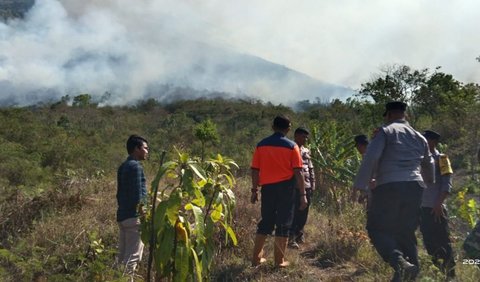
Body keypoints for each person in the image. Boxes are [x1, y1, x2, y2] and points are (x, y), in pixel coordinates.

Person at [353, 101, 434, 282]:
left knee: (376, 228)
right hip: (415, 187)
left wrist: (360, 185)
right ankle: (408, 273)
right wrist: (428, 182)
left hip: (389, 185)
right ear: (404, 115)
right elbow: (429, 165)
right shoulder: (419, 137)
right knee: (405, 232)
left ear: (388, 115)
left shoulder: (385, 131)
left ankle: (398, 262)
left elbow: (372, 156)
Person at [250, 115, 308, 267]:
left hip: (267, 189)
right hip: (286, 189)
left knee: (266, 222)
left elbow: (255, 170)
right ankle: (279, 261)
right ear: (288, 128)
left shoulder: (261, 145)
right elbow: (298, 172)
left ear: (272, 127)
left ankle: (256, 259)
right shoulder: (292, 146)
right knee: (284, 223)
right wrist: (303, 195)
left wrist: (254, 190)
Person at [419, 130, 455, 279]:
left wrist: (439, 204)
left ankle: (450, 275)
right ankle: (438, 272)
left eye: (426, 140)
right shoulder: (419, 159)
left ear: (433, 142)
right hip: (422, 208)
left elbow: (447, 185)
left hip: (437, 208)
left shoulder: (442, 159)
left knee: (443, 242)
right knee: (429, 242)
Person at [116, 135, 149, 276]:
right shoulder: (136, 167)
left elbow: (119, 194)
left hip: (123, 216)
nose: (147, 151)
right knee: (133, 258)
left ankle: (117, 279)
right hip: (133, 218)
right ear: (137, 149)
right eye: (145, 148)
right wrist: (143, 215)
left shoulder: (123, 166)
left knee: (122, 258)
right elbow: (138, 196)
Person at [288, 127, 316, 249]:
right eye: (303, 136)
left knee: (304, 211)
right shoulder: (290, 148)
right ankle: (291, 237)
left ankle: (300, 233)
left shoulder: (306, 150)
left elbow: (310, 167)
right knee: (293, 211)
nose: (305, 139)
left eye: (306, 137)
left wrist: (313, 182)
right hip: (293, 185)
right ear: (296, 136)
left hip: (307, 184)